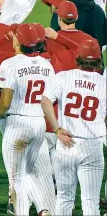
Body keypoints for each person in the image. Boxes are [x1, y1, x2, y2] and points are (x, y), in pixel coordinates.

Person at [0, 24, 56, 215]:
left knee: (17, 178)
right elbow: (51, 98)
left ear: (18, 41)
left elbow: (4, 103)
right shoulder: (46, 65)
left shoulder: (10, 64)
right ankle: (44, 210)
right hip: (39, 123)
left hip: (17, 125)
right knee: (34, 174)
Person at [41, 39, 106, 215]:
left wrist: (56, 129)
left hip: (66, 142)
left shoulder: (64, 77)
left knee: (64, 198)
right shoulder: (103, 83)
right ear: (99, 59)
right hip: (92, 146)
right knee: (91, 201)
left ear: (78, 57)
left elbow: (45, 101)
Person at [38, 0, 107, 47]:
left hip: (70, 55)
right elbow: (105, 38)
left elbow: (53, 37)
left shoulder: (62, 13)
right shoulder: (98, 9)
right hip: (95, 54)